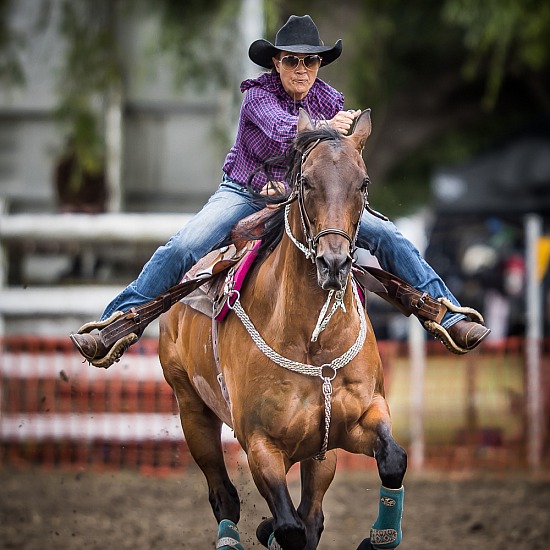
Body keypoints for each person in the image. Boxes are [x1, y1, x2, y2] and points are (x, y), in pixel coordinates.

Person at [71, 15, 490, 366]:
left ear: (319, 65)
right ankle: (118, 323)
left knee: (390, 237)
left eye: (311, 62)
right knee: (186, 245)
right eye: (293, 61)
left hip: (305, 200)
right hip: (245, 192)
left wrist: (338, 140)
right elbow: (284, 132)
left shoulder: (330, 100)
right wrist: (331, 130)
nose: (302, 70)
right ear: (276, 62)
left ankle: (447, 315)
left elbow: (333, 164)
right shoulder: (257, 98)